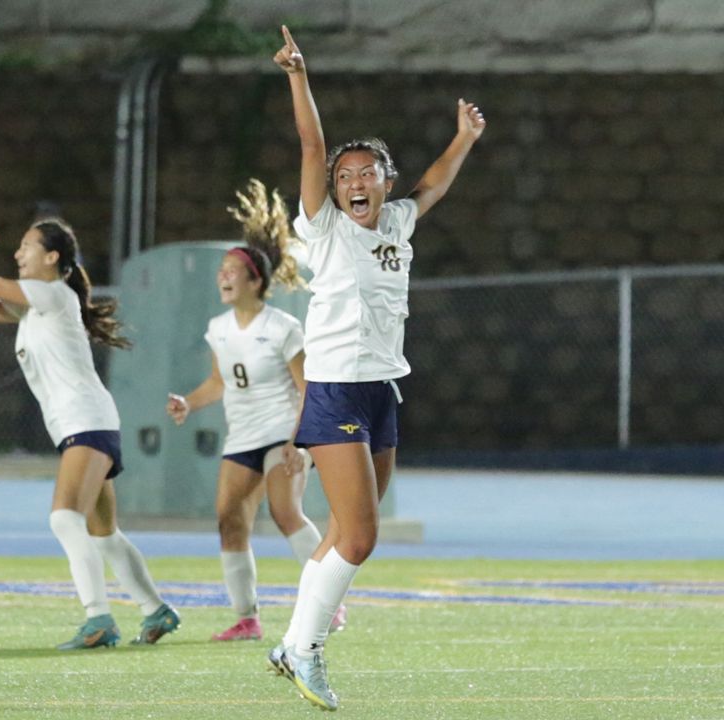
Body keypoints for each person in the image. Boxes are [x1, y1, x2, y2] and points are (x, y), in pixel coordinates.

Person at [265, 26, 486, 710]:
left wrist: (465, 139)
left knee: (345, 533)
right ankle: (304, 648)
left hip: (382, 386)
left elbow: (432, 186)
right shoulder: (323, 228)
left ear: (384, 182)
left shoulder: (394, 223)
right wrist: (299, 76)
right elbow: (308, 145)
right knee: (359, 536)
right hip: (335, 387)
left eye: (367, 173)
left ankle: (293, 641)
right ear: (332, 189)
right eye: (344, 175)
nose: (354, 181)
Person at [0, 218, 181, 650]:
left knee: (65, 518)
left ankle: (98, 619)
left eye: (26, 246)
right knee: (104, 534)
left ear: (52, 258)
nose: (17, 253)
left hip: (86, 420)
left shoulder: (50, 292)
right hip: (89, 421)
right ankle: (154, 609)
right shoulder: (35, 304)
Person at [165, 179, 337, 642]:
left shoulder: (282, 327)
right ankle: (247, 618)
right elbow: (220, 383)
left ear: (255, 281)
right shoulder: (218, 328)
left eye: (231, 271)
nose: (222, 276)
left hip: (282, 430)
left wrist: (300, 442)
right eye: (220, 270)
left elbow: (308, 389)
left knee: (286, 514)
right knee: (228, 521)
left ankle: (329, 600)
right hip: (241, 435)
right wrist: (189, 401)